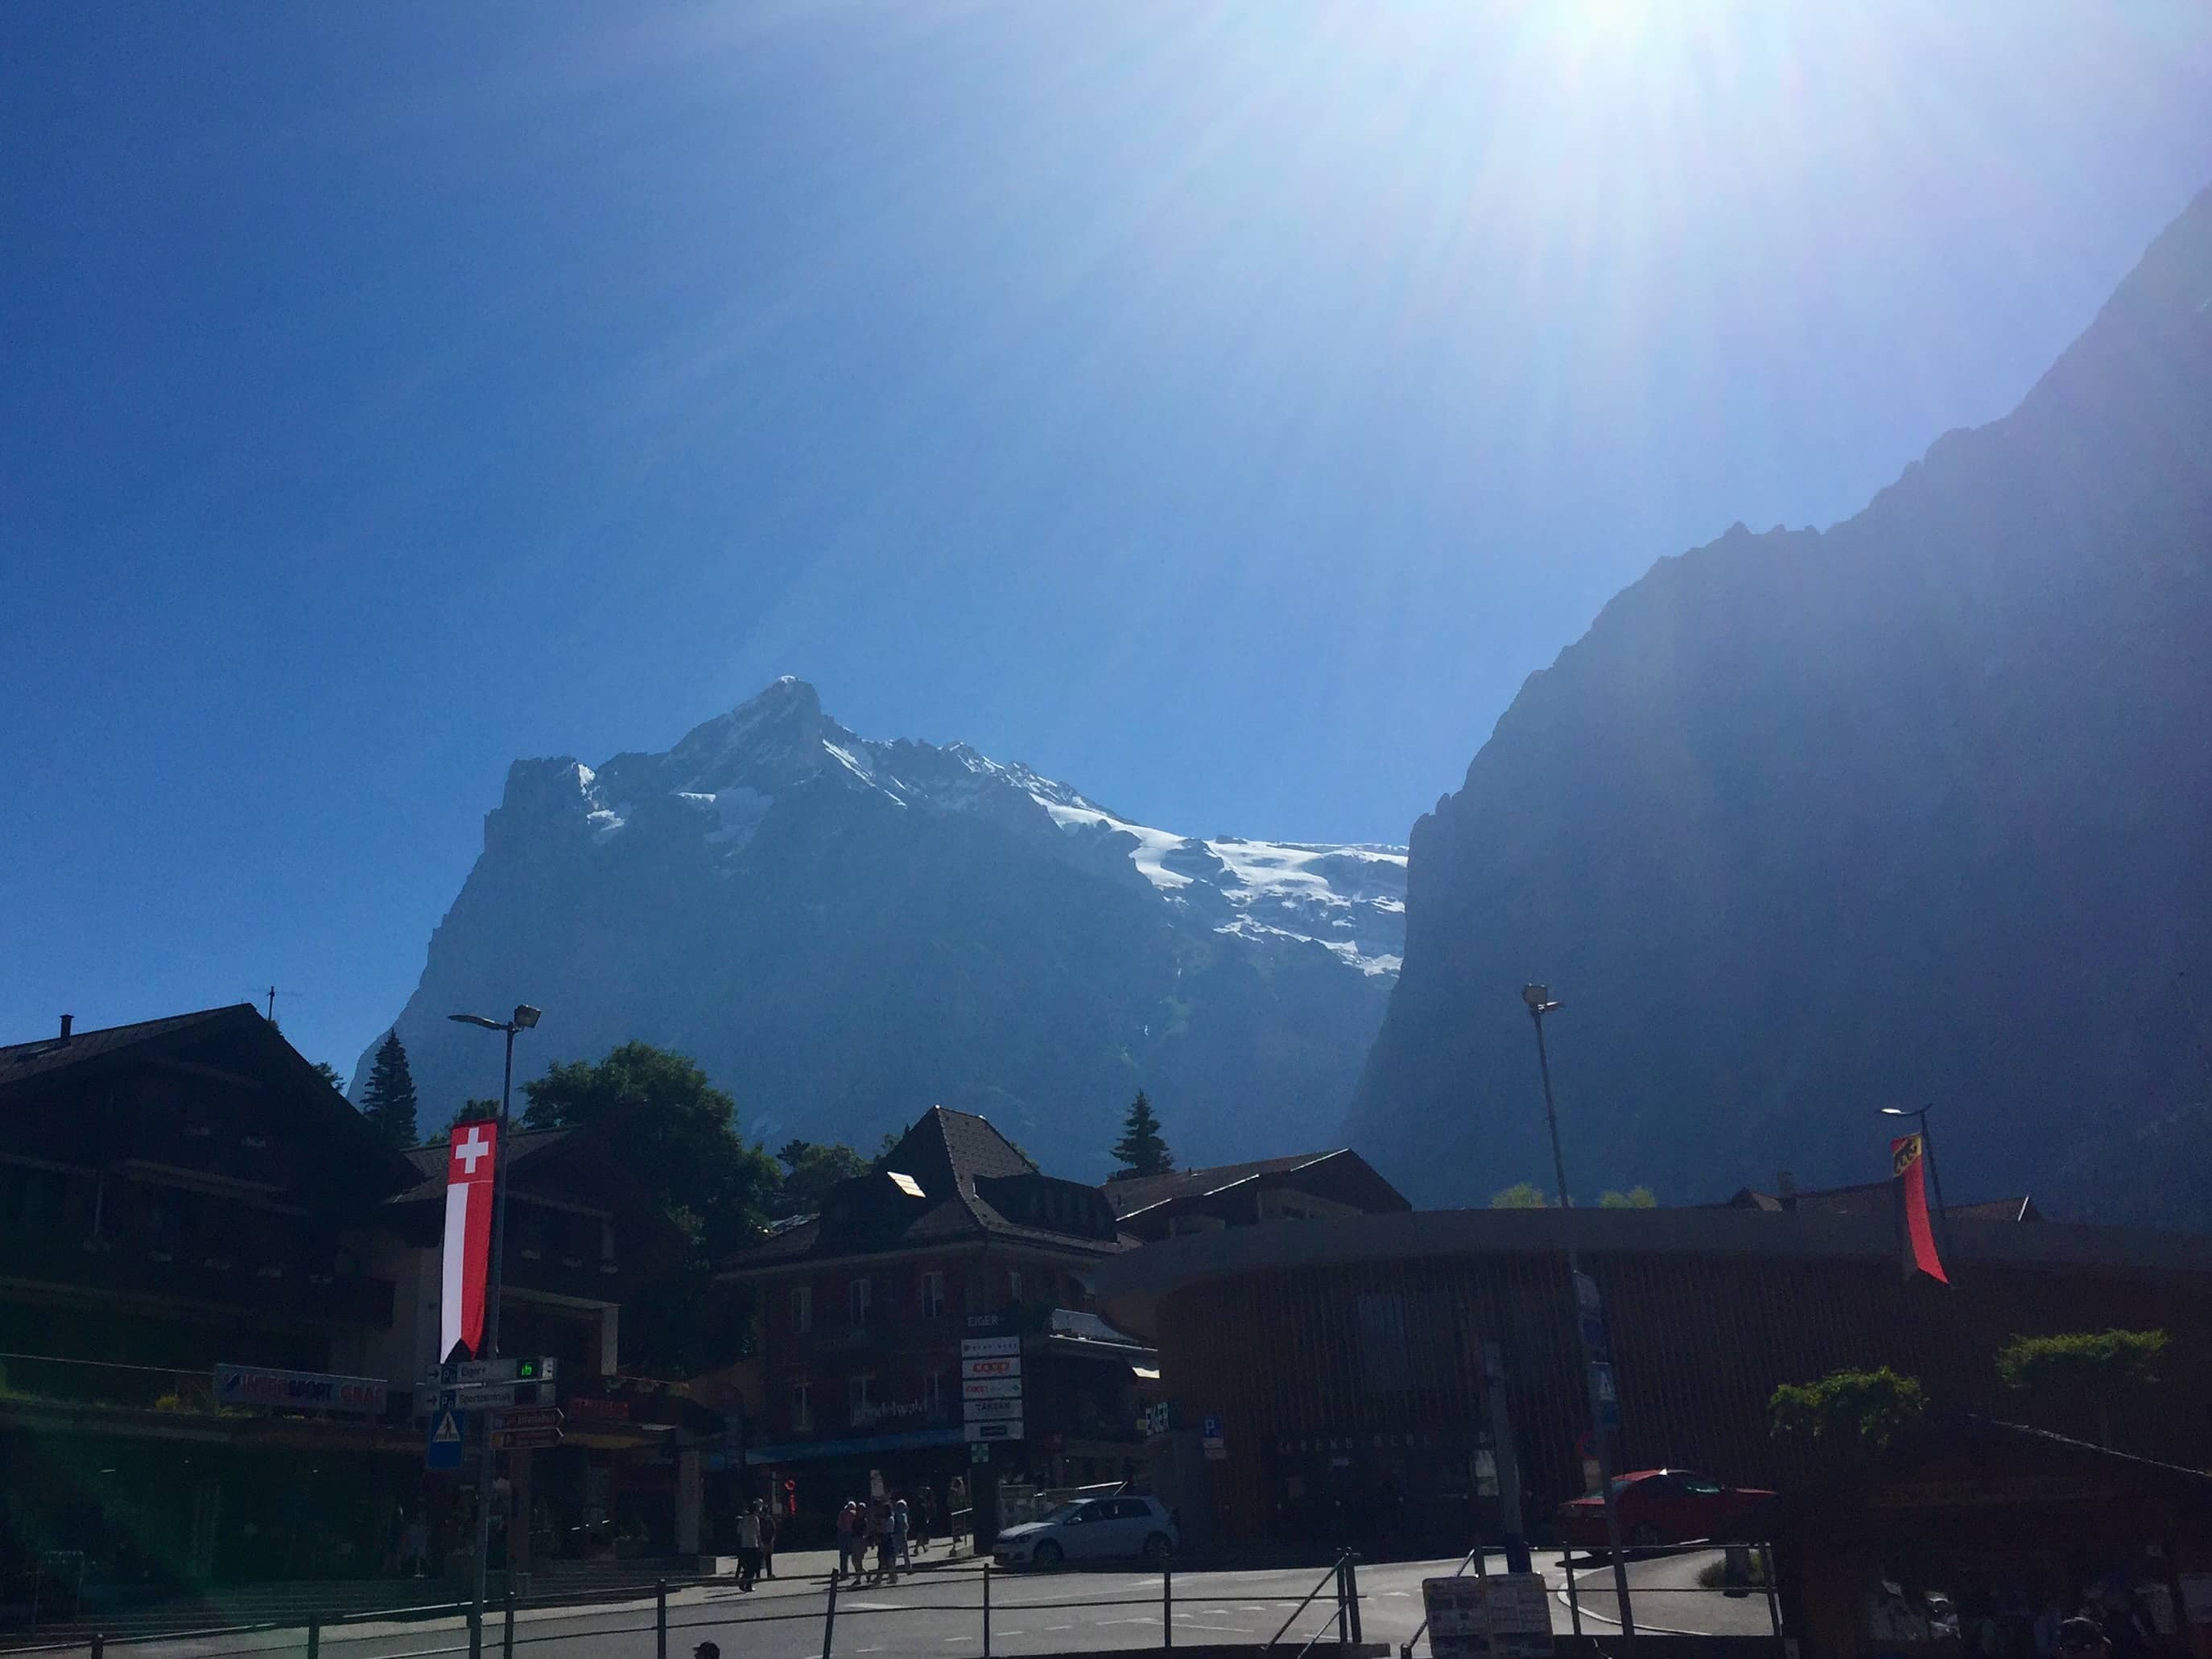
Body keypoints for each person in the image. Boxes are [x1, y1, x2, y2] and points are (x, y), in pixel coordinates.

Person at [734, 1502, 761, 1591]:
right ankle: (746, 1583)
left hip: (744, 1545)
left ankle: (746, 1583)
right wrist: (760, 1544)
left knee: (747, 1565)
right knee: (753, 1566)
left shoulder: (743, 1520)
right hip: (753, 1545)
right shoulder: (755, 1519)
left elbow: (738, 1532)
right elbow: (758, 1533)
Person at [836, 1500, 860, 1583]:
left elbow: (839, 1524)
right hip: (851, 1535)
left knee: (843, 1556)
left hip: (843, 1534)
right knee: (855, 1555)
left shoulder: (842, 1514)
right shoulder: (855, 1514)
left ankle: (844, 1573)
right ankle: (858, 1571)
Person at [757, 1500, 778, 1580]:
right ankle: (768, 1574)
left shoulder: (760, 1519)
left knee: (761, 1558)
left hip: (763, 1540)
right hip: (766, 1541)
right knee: (766, 1558)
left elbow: (773, 1529)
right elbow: (773, 1529)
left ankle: (759, 1575)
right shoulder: (767, 1519)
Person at [892, 1497, 911, 1570]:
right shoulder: (903, 1515)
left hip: (895, 1534)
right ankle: (908, 1568)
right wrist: (906, 1529)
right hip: (901, 1534)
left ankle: (893, 1568)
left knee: (895, 1553)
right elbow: (905, 1525)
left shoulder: (894, 1514)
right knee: (905, 1553)